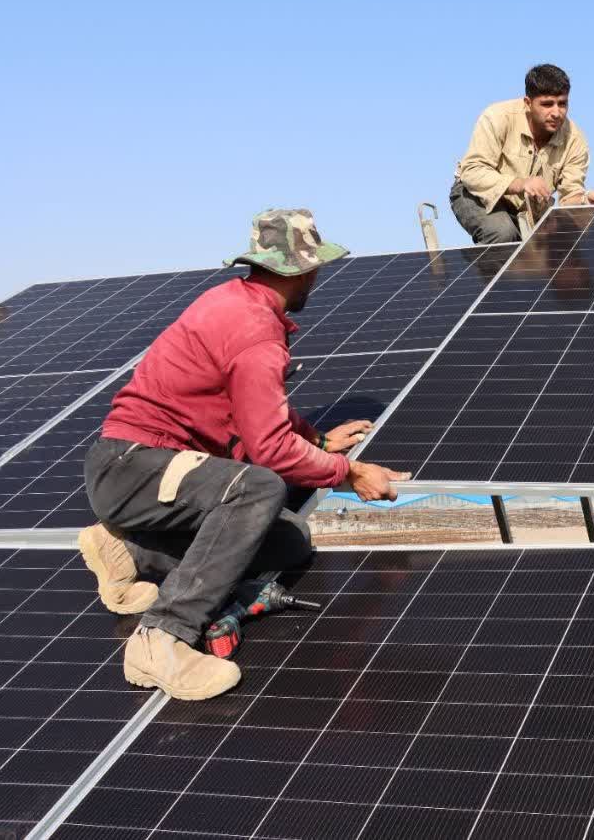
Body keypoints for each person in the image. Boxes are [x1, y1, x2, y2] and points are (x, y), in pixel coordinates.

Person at [79, 209, 408, 701]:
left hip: (144, 472)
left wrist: (318, 441)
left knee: (290, 542)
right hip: (136, 464)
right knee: (260, 487)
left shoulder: (233, 302)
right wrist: (351, 472)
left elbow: (256, 410)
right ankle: (162, 637)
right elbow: (269, 448)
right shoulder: (255, 332)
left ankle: (126, 549)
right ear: (304, 270)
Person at [450, 64, 594, 245]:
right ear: (528, 103)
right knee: (502, 233)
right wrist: (521, 183)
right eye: (547, 104)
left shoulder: (575, 139)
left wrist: (585, 200)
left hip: (527, 209)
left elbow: (569, 197)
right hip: (474, 193)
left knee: (556, 247)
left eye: (562, 103)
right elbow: (472, 172)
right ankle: (487, 263)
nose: (556, 113)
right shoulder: (497, 117)